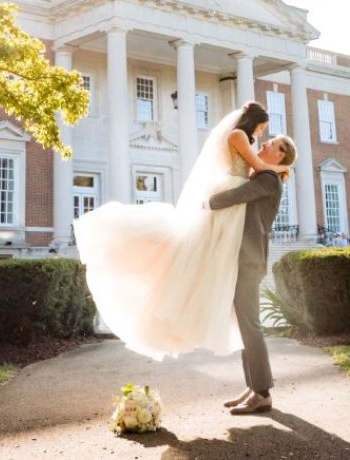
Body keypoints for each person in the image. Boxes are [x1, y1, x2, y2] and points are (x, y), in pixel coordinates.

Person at [72, 101, 292, 361]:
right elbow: (257, 165)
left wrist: (278, 169)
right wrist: (283, 168)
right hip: (229, 195)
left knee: (230, 296)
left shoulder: (255, 157)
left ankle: (256, 388)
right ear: (253, 121)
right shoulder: (239, 135)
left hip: (236, 213)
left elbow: (257, 171)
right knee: (191, 251)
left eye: (267, 136)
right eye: (262, 129)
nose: (261, 136)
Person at [208, 134, 297, 414]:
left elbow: (236, 197)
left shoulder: (268, 180)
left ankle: (262, 394)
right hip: (244, 258)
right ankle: (253, 387)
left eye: (272, 144)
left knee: (251, 324)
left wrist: (207, 202)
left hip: (249, 260)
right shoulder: (267, 175)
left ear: (280, 154)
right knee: (247, 324)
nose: (265, 143)